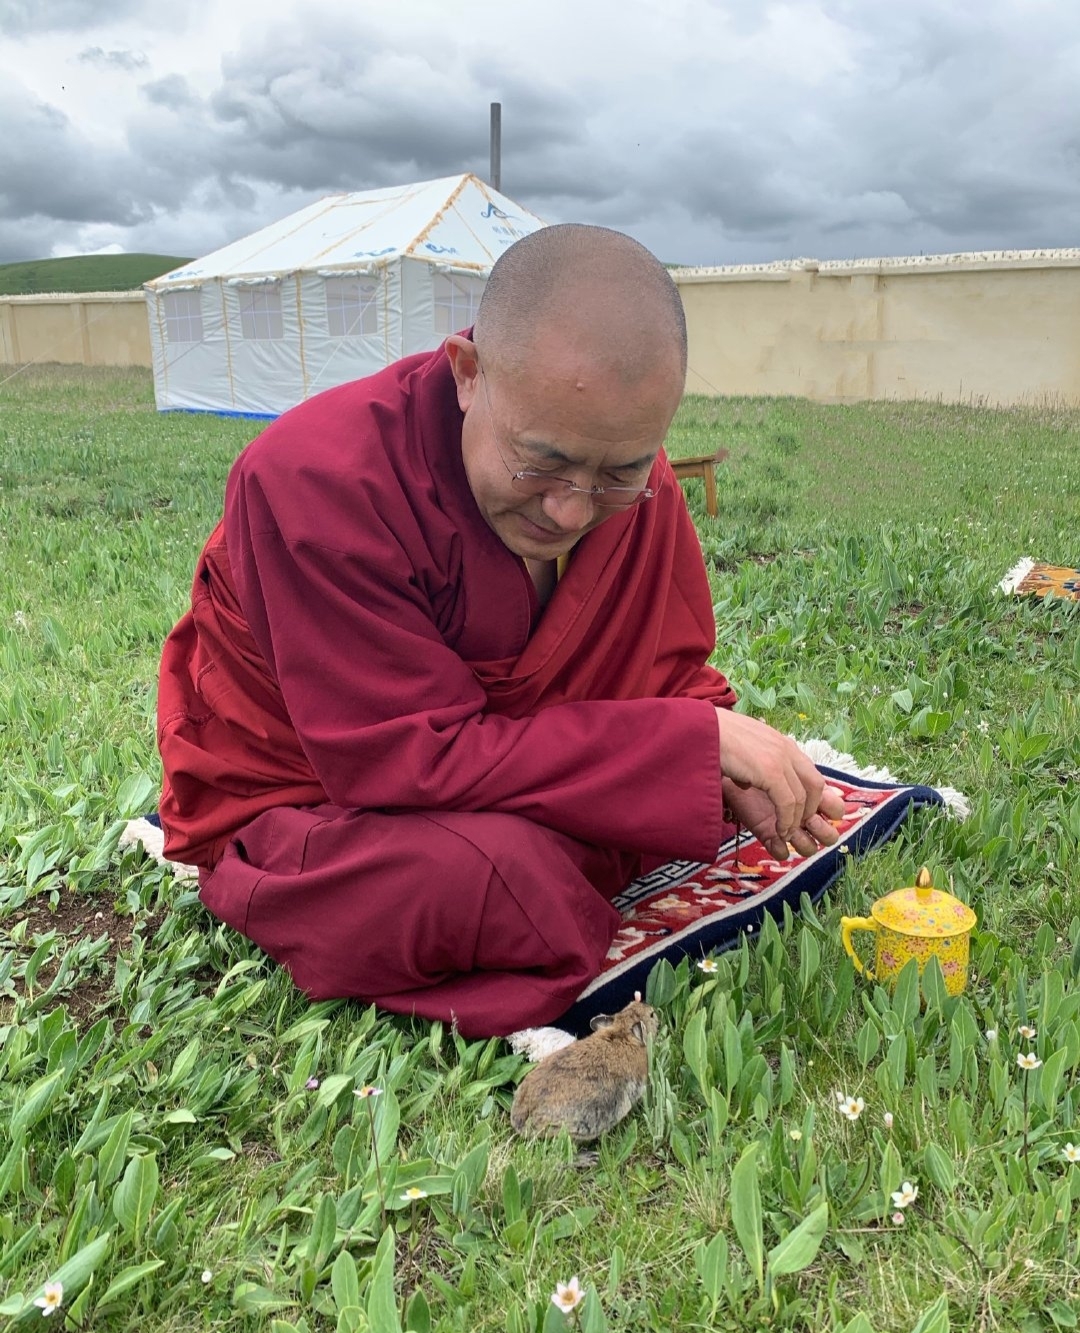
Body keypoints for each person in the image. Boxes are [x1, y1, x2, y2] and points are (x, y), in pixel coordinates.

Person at [157, 223, 843, 1037]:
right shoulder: (314, 480)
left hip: (496, 766)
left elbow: (662, 672)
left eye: (617, 472)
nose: (572, 509)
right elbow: (407, 760)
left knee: (660, 797)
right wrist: (677, 752)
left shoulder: (638, 482)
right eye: (540, 462)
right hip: (320, 794)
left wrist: (722, 767)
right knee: (498, 884)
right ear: (467, 373)